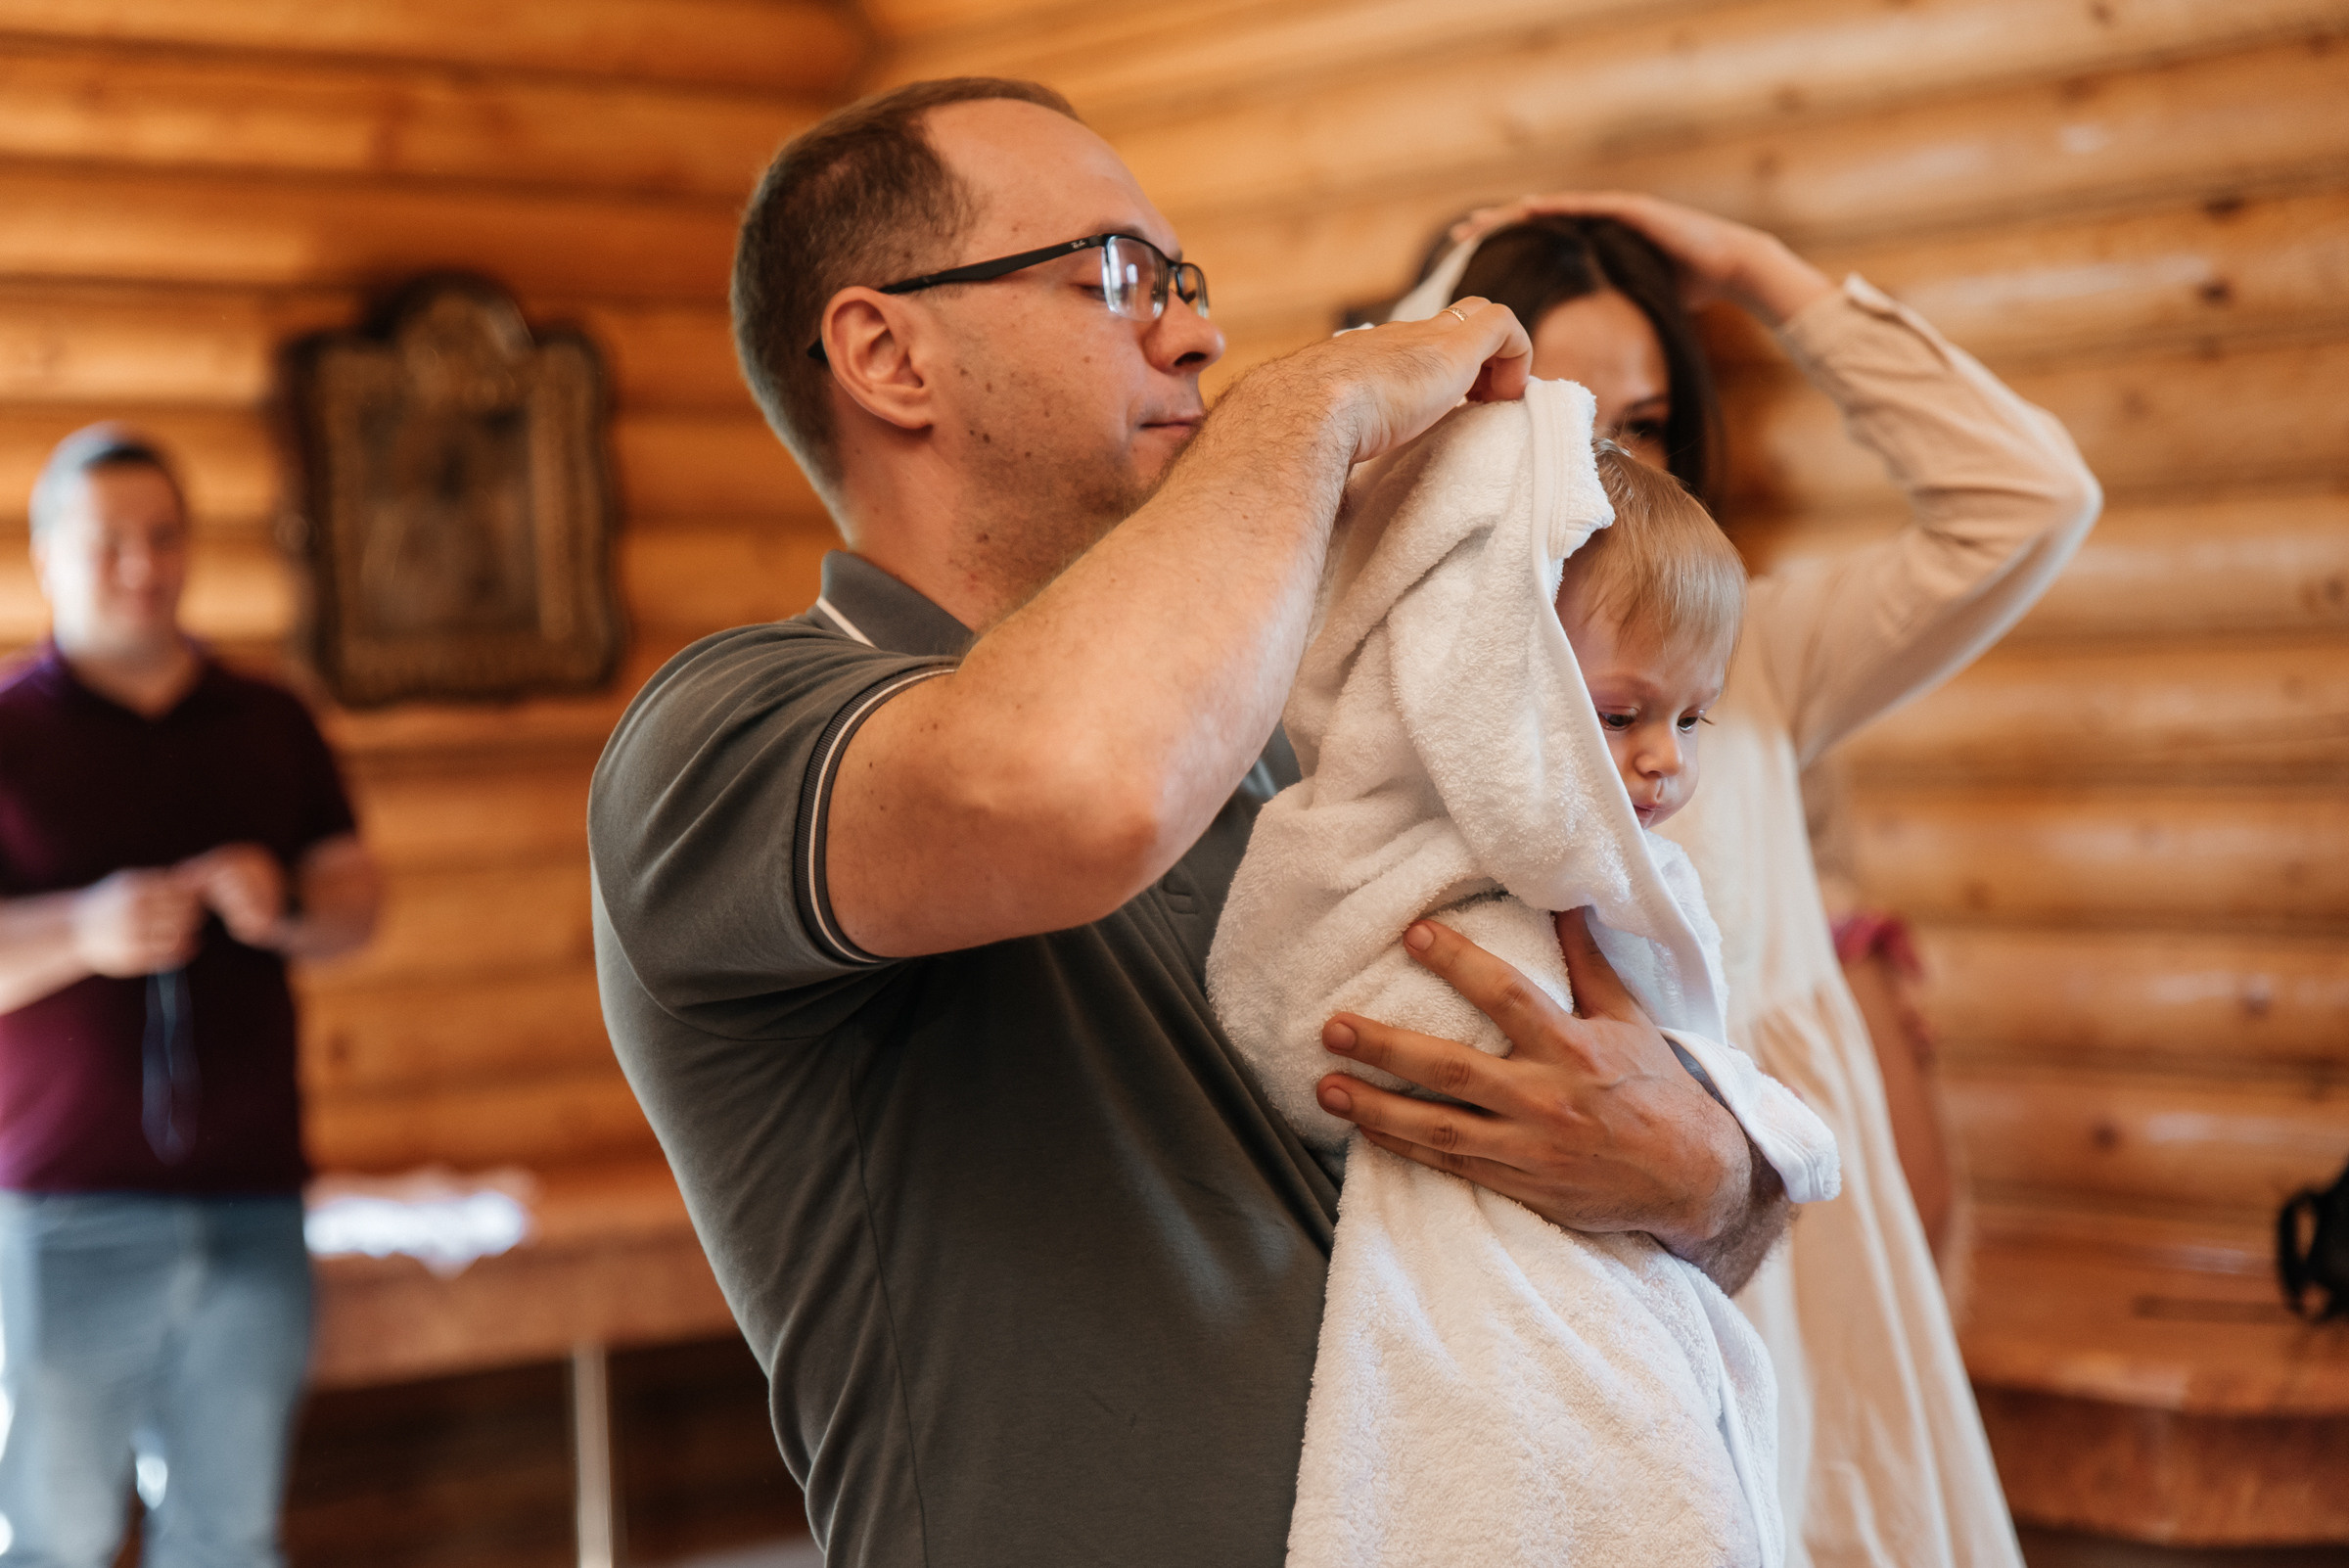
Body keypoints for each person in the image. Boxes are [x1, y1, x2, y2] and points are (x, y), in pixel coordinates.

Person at [588, 78, 1791, 1566]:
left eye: (1188, 280)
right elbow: (1077, 787)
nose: (1198, 333)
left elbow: (1651, 1207)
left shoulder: (1298, 753)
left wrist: (1707, 1178)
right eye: (1115, 278)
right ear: (887, 353)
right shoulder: (725, 733)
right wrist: (1312, 404)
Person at [1404, 196, 2102, 1568]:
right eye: (1560, 408)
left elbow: (2035, 500)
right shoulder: (1411, 689)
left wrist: (1753, 272)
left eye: (1647, 421)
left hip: (1789, 1270)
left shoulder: (1762, 663)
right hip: (1528, 1292)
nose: (1604, 462)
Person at [1208, 429, 1840, 1568]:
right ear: (1483, 684)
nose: (1667, 763)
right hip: (1495, 1338)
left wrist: (1723, 1128)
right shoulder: (1369, 859)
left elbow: (1657, 1073)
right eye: (1619, 715)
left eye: (1693, 719)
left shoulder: (1605, 890)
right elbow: (1299, 1024)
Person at [0, 427, 381, 1564]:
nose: (143, 564)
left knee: (228, 1535)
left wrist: (284, 910)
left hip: (255, 1203)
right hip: (59, 1213)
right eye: (111, 541)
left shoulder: (271, 719)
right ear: (50, 554)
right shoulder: (7, 733)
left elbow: (355, 907)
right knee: (51, 1540)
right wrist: (85, 930)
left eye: (164, 537)